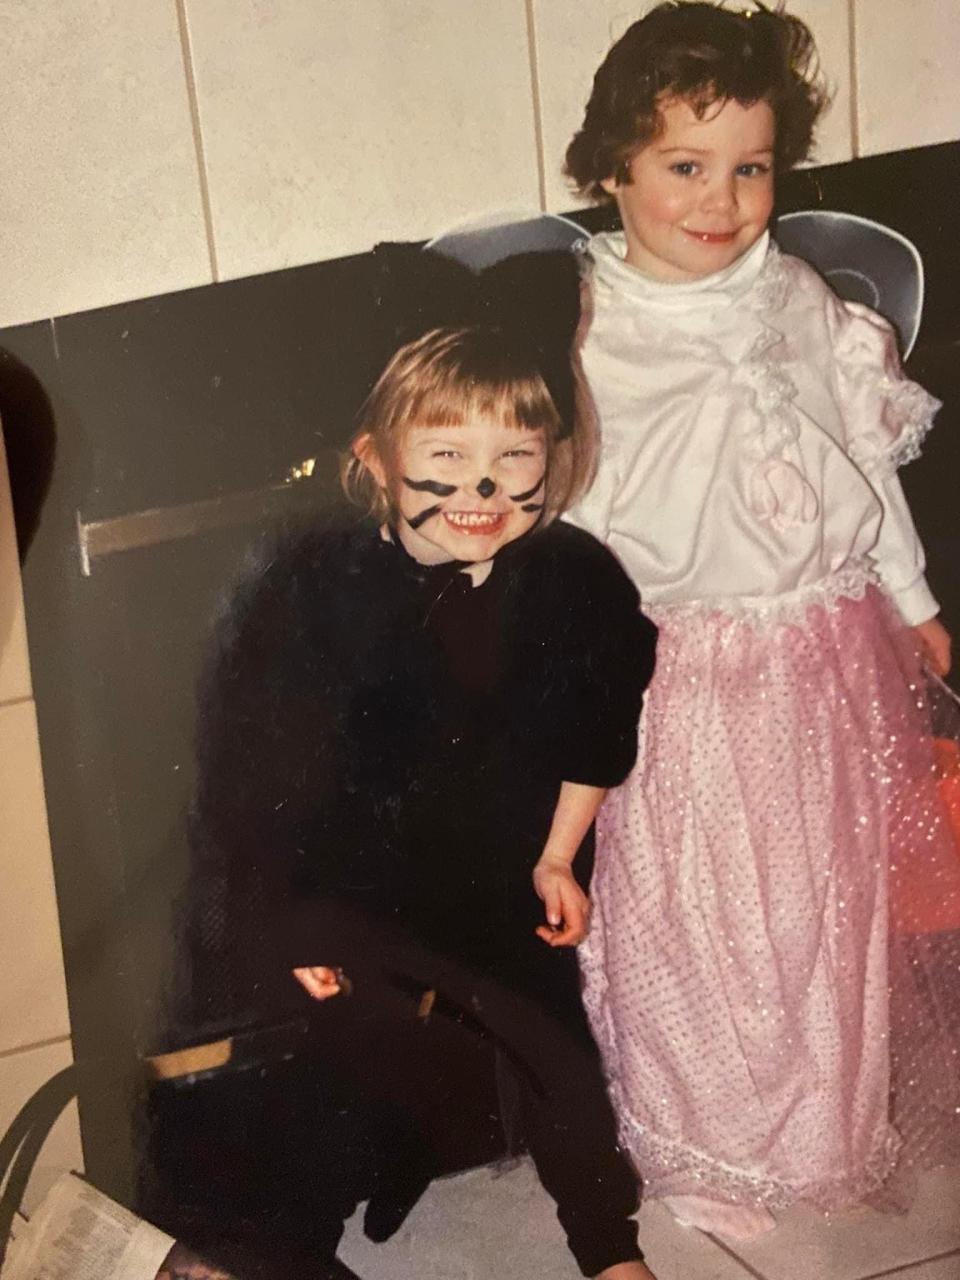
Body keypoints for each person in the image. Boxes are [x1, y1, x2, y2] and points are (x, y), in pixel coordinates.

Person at [562, 0, 960, 1241]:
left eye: (750, 168)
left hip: (820, 648)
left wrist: (914, 597)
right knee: (696, 909)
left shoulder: (798, 297)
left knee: (821, 903)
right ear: (613, 168)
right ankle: (703, 1144)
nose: (720, 198)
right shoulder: (582, 322)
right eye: (685, 166)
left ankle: (823, 1127)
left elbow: (862, 463)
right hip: (668, 669)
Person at [194, 285, 660, 1279]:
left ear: (554, 462)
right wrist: (300, 926)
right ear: (376, 460)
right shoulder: (321, 591)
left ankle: (609, 1248)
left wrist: (555, 858)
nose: (481, 492)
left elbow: (596, 730)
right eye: (446, 459)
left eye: (514, 462)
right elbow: (274, 779)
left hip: (499, 882)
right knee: (336, 1066)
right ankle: (286, 1247)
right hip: (359, 888)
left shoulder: (575, 582)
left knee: (562, 1061)